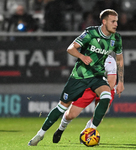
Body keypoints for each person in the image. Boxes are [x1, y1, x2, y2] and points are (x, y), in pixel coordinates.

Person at [28, 9, 124, 146]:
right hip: (80, 76)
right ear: (104, 21)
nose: (116, 24)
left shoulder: (116, 38)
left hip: (97, 76)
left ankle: (91, 131)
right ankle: (40, 134)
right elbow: (71, 48)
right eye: (113, 21)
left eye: (117, 21)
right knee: (63, 108)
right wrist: (82, 56)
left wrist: (121, 82)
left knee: (106, 96)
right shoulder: (91, 32)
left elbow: (119, 59)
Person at [53, 55, 117, 143]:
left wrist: (104, 93)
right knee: (71, 115)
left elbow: (111, 82)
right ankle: (60, 129)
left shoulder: (110, 60)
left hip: (106, 87)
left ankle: (87, 133)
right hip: (89, 87)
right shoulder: (88, 56)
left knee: (100, 114)